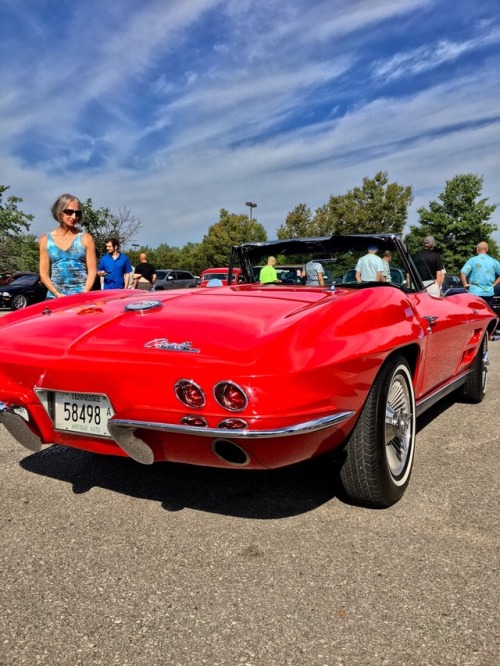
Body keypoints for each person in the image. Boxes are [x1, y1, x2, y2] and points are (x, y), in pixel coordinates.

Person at [39, 193, 97, 299]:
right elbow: (43, 274)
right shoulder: (45, 240)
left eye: (77, 213)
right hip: (54, 298)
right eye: (69, 212)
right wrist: (57, 294)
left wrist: (84, 294)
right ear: (59, 212)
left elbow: (92, 272)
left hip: (81, 298)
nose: (74, 217)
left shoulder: (86, 238)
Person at [460, 241, 500, 308]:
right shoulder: (494, 261)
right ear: (487, 249)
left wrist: (465, 284)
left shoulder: (472, 260)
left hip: (474, 292)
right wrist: (494, 284)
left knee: (475, 315)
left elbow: (463, 272)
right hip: (489, 292)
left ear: (477, 249)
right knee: (487, 315)